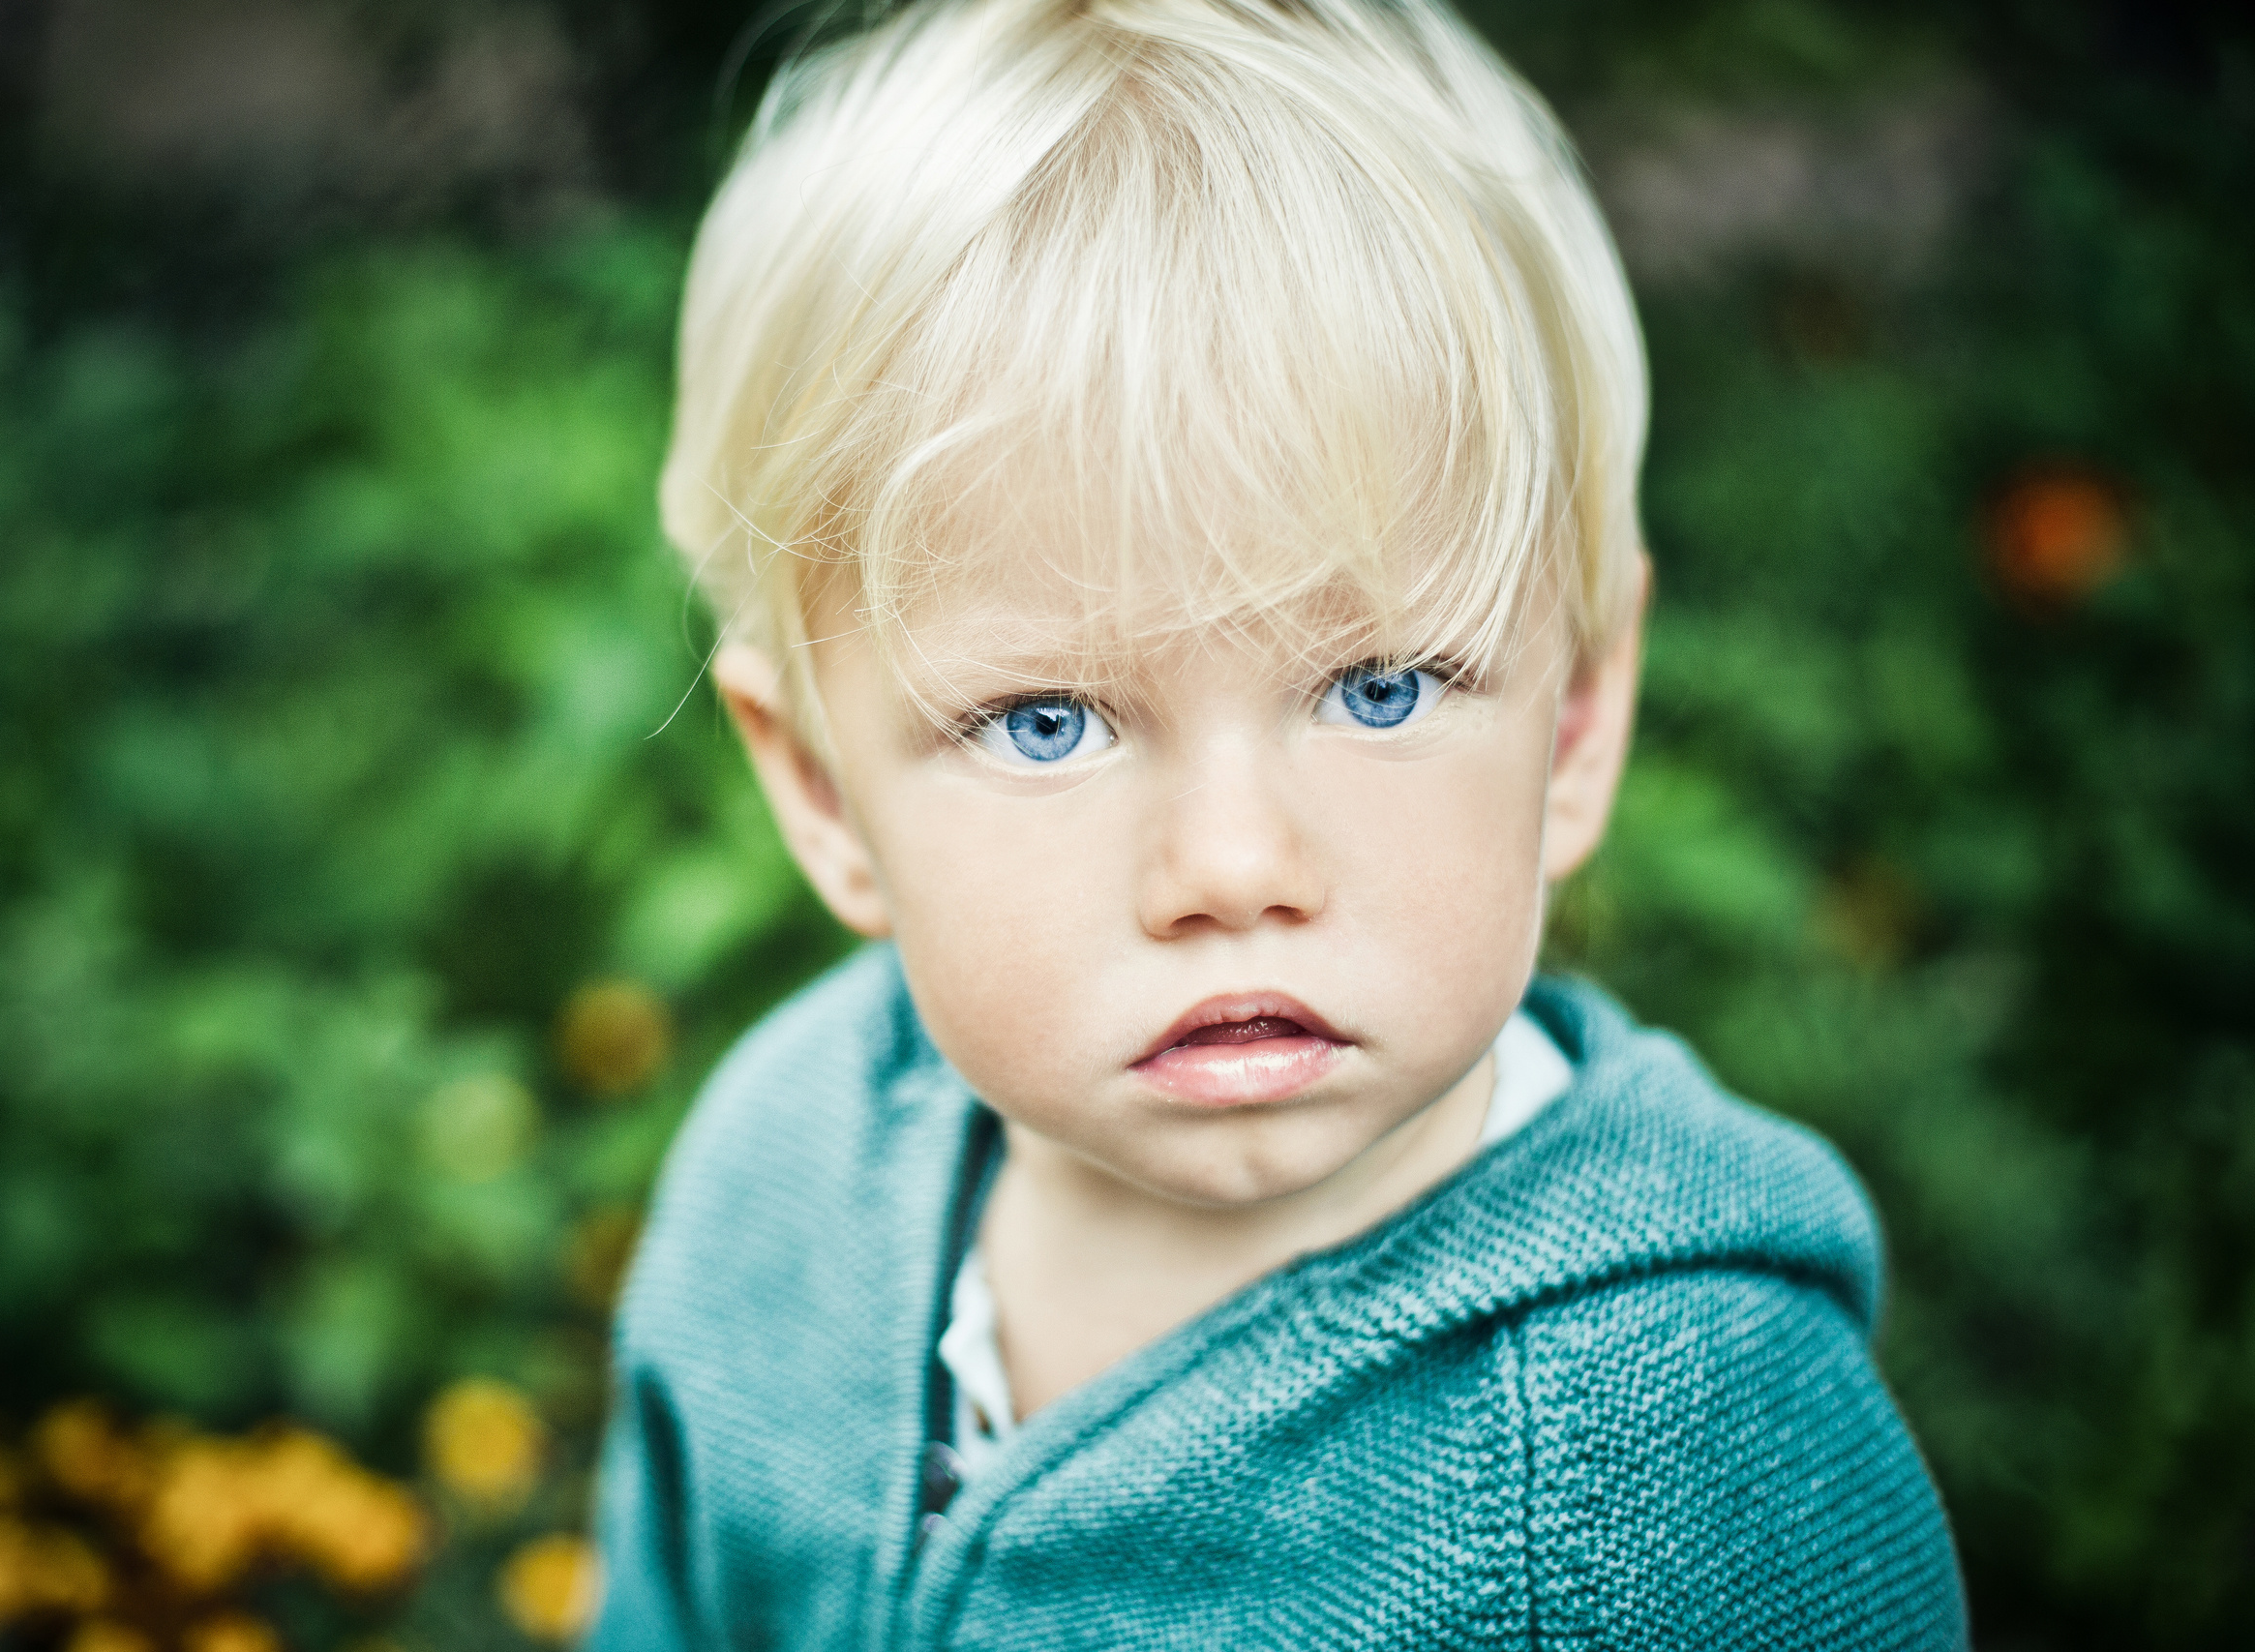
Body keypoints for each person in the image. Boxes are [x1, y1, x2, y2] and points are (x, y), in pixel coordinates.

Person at [596, 0, 1966, 1645]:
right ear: (820, 791)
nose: (1234, 869)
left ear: (1578, 722)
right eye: (1049, 723)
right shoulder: (780, 1185)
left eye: (1380, 689)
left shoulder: (1672, 1474)